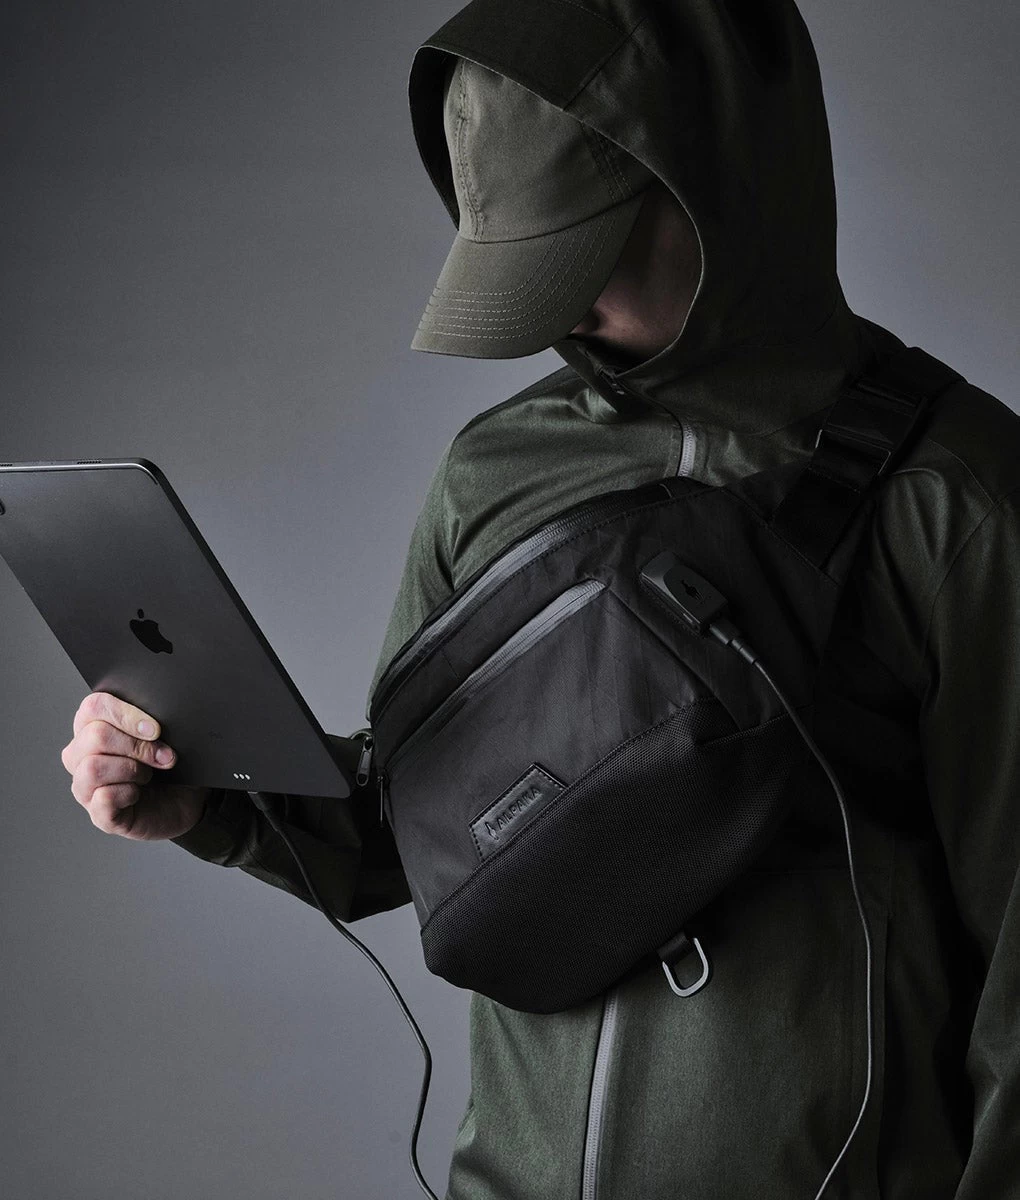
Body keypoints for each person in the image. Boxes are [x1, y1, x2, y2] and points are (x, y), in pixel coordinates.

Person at [60, 1, 1020, 1196]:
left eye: (585, 254)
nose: (561, 313)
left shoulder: (960, 498)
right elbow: (424, 829)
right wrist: (209, 801)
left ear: (721, 184)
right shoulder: (494, 470)